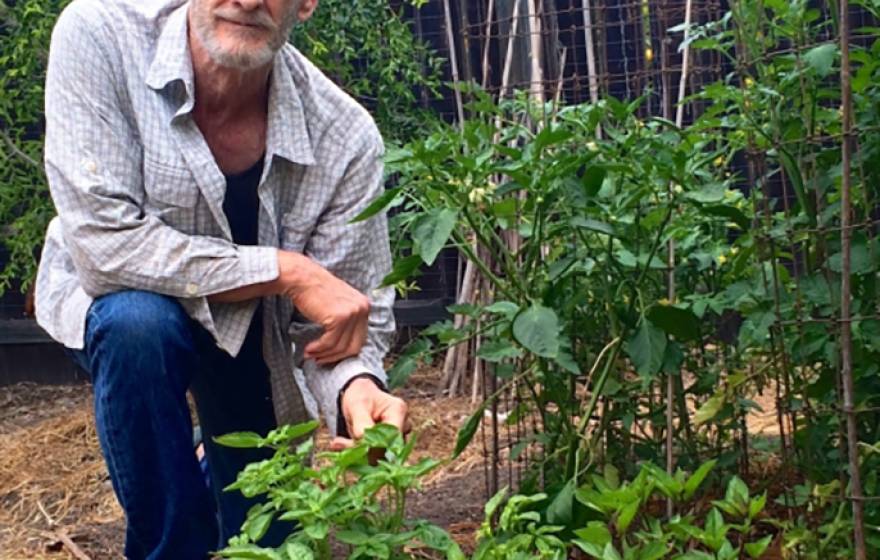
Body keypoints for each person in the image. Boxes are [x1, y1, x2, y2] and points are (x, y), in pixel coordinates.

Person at [33, 0, 408, 557]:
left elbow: (344, 318)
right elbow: (104, 248)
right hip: (128, 314)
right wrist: (284, 269)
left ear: (307, 4)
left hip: (257, 344)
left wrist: (358, 388)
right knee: (139, 325)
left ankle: (211, 468)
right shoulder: (100, 34)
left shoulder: (345, 138)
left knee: (268, 540)